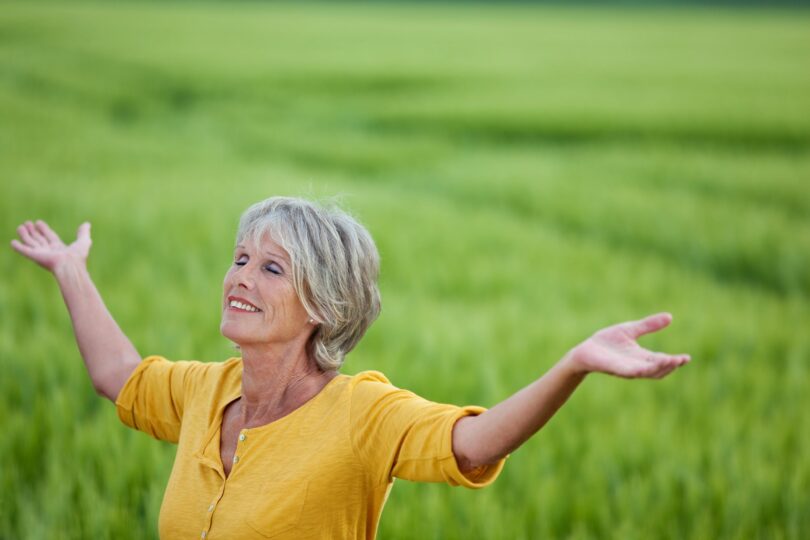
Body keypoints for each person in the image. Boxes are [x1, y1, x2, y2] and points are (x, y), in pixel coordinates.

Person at [11, 196, 691, 539]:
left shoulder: (363, 415)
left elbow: (475, 441)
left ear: (322, 304)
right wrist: (71, 269)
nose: (239, 278)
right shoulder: (205, 390)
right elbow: (118, 375)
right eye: (241, 258)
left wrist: (572, 365)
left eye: (271, 268)